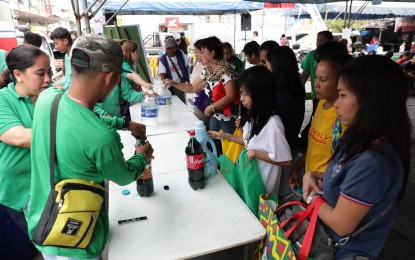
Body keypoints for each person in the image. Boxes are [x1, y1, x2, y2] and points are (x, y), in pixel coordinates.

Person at [27, 34, 154, 260]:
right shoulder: (101, 138)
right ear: (110, 78)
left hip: (44, 226)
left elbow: (83, 116)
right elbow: (124, 176)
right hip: (78, 236)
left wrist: (125, 123)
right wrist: (141, 156)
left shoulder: (48, 100)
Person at [303, 55, 411, 259]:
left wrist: (311, 197)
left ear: (371, 100)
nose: (336, 104)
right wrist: (314, 175)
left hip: (340, 252)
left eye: (342, 95)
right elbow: (344, 175)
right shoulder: (360, 138)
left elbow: (340, 224)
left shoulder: (373, 163)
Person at [0, 45, 51, 259]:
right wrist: (70, 130)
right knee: (51, 247)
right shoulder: (3, 100)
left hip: (49, 187)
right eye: (40, 73)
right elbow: (19, 137)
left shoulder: (49, 96)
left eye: (49, 72)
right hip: (20, 193)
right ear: (18, 75)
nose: (47, 78)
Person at [208, 66, 292, 193]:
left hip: (263, 189)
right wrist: (223, 136)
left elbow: (286, 160)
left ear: (260, 95)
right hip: (249, 182)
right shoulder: (252, 115)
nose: (241, 99)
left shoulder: (273, 123)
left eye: (245, 94)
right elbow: (247, 141)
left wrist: (255, 153)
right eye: (241, 93)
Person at [163, 36, 238, 154]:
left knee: (229, 153)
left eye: (203, 52)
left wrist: (211, 107)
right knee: (215, 151)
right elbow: (192, 88)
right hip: (215, 118)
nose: (200, 55)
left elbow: (231, 96)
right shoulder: (208, 71)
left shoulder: (226, 70)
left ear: (212, 53)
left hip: (228, 120)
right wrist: (173, 83)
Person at [289, 51, 352, 188]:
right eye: (315, 78)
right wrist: (297, 167)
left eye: (322, 80)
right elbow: (314, 147)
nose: (316, 84)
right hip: (310, 182)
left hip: (325, 187)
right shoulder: (320, 104)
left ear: (341, 81)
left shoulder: (343, 118)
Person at [95, 40, 151, 117]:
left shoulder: (118, 73)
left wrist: (143, 94)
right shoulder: (94, 75)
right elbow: (86, 102)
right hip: (99, 119)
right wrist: (104, 114)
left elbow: (127, 93)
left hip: (115, 118)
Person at [301, 30, 333, 105]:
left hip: (331, 96)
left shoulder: (333, 56)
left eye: (322, 41)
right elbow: (304, 75)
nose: (318, 43)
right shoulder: (311, 54)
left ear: (330, 41)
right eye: (317, 40)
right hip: (316, 96)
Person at [158, 37, 189, 104]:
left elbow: (186, 65)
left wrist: (187, 79)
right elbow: (162, 74)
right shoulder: (163, 60)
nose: (170, 50)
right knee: (173, 103)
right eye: (168, 49)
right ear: (165, 49)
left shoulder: (180, 53)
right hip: (171, 86)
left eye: (172, 48)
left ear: (176, 47)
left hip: (181, 83)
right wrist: (165, 83)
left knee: (182, 103)